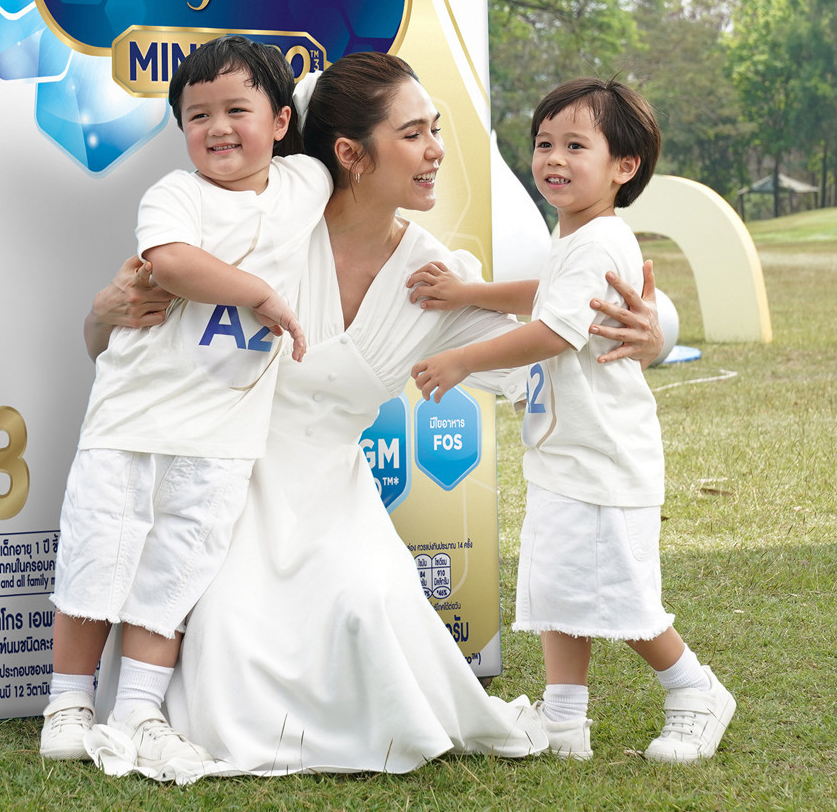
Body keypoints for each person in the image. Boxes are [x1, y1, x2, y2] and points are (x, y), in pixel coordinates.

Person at [77, 53, 667, 781]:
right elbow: (119, 353)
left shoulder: (434, 277)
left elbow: (553, 345)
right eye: (413, 134)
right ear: (352, 155)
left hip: (336, 495)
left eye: (436, 129)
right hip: (227, 487)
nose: (436, 150)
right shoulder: (257, 236)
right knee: (228, 639)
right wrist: (101, 314)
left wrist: (652, 335)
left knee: (368, 607)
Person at [410, 78, 735, 764]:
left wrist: (463, 359)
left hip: (603, 459)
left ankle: (695, 689)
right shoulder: (576, 238)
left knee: (623, 595)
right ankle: (563, 718)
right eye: (544, 143)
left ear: (624, 166)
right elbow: (545, 293)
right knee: (556, 588)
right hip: (565, 455)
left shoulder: (600, 240)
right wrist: (469, 292)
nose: (553, 158)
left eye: (575, 146)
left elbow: (556, 329)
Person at [41, 37, 327, 774]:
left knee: (175, 572)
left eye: (238, 110)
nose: (218, 128)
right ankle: (67, 703)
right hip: (132, 420)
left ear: (281, 122)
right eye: (198, 115)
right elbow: (170, 262)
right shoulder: (176, 195)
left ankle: (139, 708)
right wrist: (261, 294)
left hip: (224, 434)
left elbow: (331, 96)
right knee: (97, 556)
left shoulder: (306, 183)